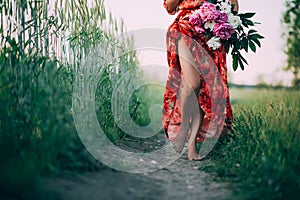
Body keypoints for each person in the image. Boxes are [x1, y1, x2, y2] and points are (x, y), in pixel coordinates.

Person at [162, 0, 238, 161]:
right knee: (193, 84)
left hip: (211, 33)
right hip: (185, 28)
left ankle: (192, 147)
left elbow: (234, 11)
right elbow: (170, 7)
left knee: (204, 90)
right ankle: (183, 128)